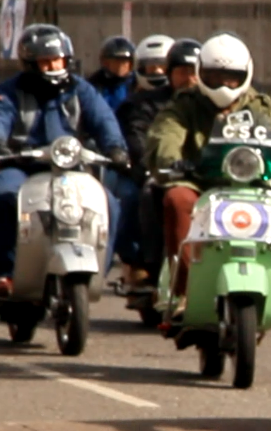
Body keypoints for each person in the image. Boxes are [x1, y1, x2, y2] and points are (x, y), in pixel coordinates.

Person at [146, 32, 271, 318]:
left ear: (246, 75)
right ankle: (184, 290)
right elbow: (166, 135)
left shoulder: (260, 105)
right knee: (177, 200)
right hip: (199, 181)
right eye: (215, 76)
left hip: (252, 181)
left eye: (232, 77)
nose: (224, 84)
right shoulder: (185, 103)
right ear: (201, 74)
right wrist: (172, 161)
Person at [0, 24, 129, 299]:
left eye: (57, 60)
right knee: (2, 195)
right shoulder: (11, 91)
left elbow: (104, 120)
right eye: (45, 62)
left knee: (109, 205)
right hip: (22, 167)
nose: (53, 67)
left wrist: (116, 149)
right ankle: (3, 272)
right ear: (30, 64)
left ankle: (97, 272)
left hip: (73, 168)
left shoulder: (81, 90)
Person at [113, 37, 200, 297]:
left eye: (195, 72)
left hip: (200, 173)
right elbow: (137, 137)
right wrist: (154, 165)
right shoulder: (146, 103)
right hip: (156, 171)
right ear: (170, 73)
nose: (190, 79)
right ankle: (147, 264)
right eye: (183, 72)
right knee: (147, 192)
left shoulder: (210, 104)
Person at [87, 35, 137, 111]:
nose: (120, 66)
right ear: (106, 62)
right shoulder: (93, 85)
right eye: (116, 61)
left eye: (124, 61)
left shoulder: (138, 84)